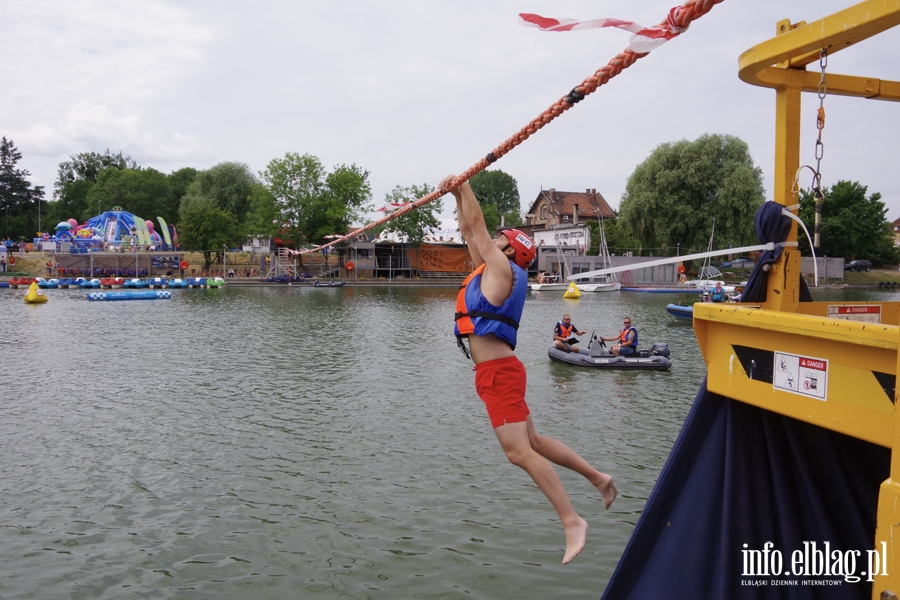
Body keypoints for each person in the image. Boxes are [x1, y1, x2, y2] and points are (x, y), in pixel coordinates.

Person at [443, 174, 616, 565]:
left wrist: (464, 185)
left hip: (499, 374)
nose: (492, 240)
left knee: (518, 452)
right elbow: (470, 228)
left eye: (501, 237)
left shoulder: (501, 271)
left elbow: (477, 226)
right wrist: (456, 194)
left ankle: (572, 521)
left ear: (509, 246)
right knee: (534, 443)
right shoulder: (492, 269)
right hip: (499, 372)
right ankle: (598, 479)